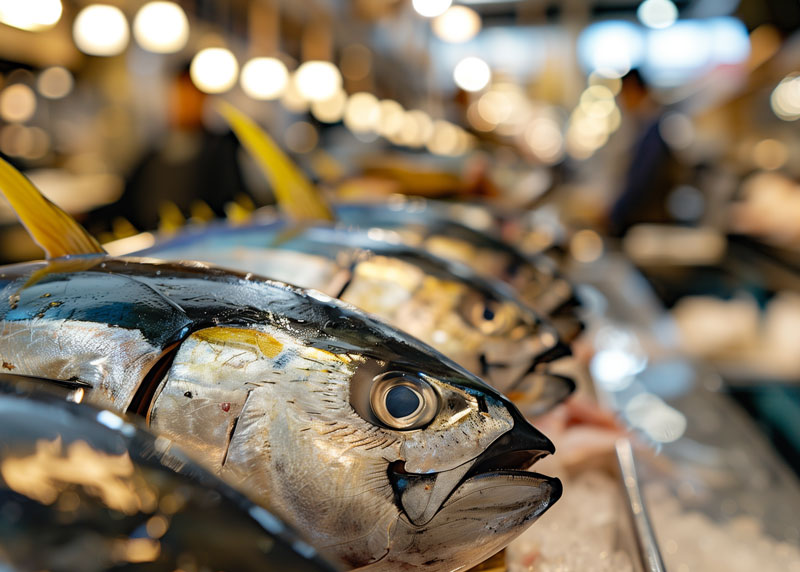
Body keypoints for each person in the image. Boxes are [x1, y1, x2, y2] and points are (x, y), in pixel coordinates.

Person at [89, 64, 253, 235]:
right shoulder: (152, 154)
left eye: (190, 96)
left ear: (204, 100)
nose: (182, 103)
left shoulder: (221, 151)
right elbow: (124, 205)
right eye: (178, 95)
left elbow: (234, 207)